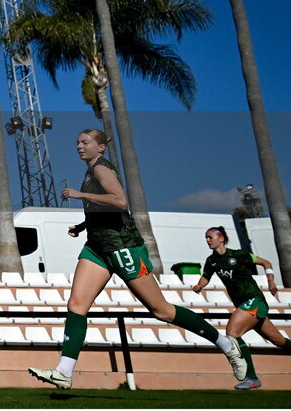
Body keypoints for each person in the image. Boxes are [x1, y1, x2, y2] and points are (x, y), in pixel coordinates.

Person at [28, 128, 248, 390]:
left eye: (85, 142)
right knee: (77, 305)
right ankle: (64, 371)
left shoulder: (101, 169)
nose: (79, 146)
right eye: (77, 142)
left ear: (100, 147)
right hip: (97, 248)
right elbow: (105, 209)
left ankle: (225, 344)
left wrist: (80, 195)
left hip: (124, 248)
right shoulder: (91, 171)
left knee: (161, 311)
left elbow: (120, 202)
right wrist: (84, 225)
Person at [191, 226, 291, 390]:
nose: (208, 240)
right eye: (206, 238)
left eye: (210, 237)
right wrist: (199, 286)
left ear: (221, 238)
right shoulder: (211, 261)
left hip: (255, 300)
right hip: (244, 305)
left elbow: (266, 262)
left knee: (232, 332)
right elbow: (206, 276)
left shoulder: (239, 255)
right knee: (279, 341)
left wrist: (271, 280)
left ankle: (251, 377)